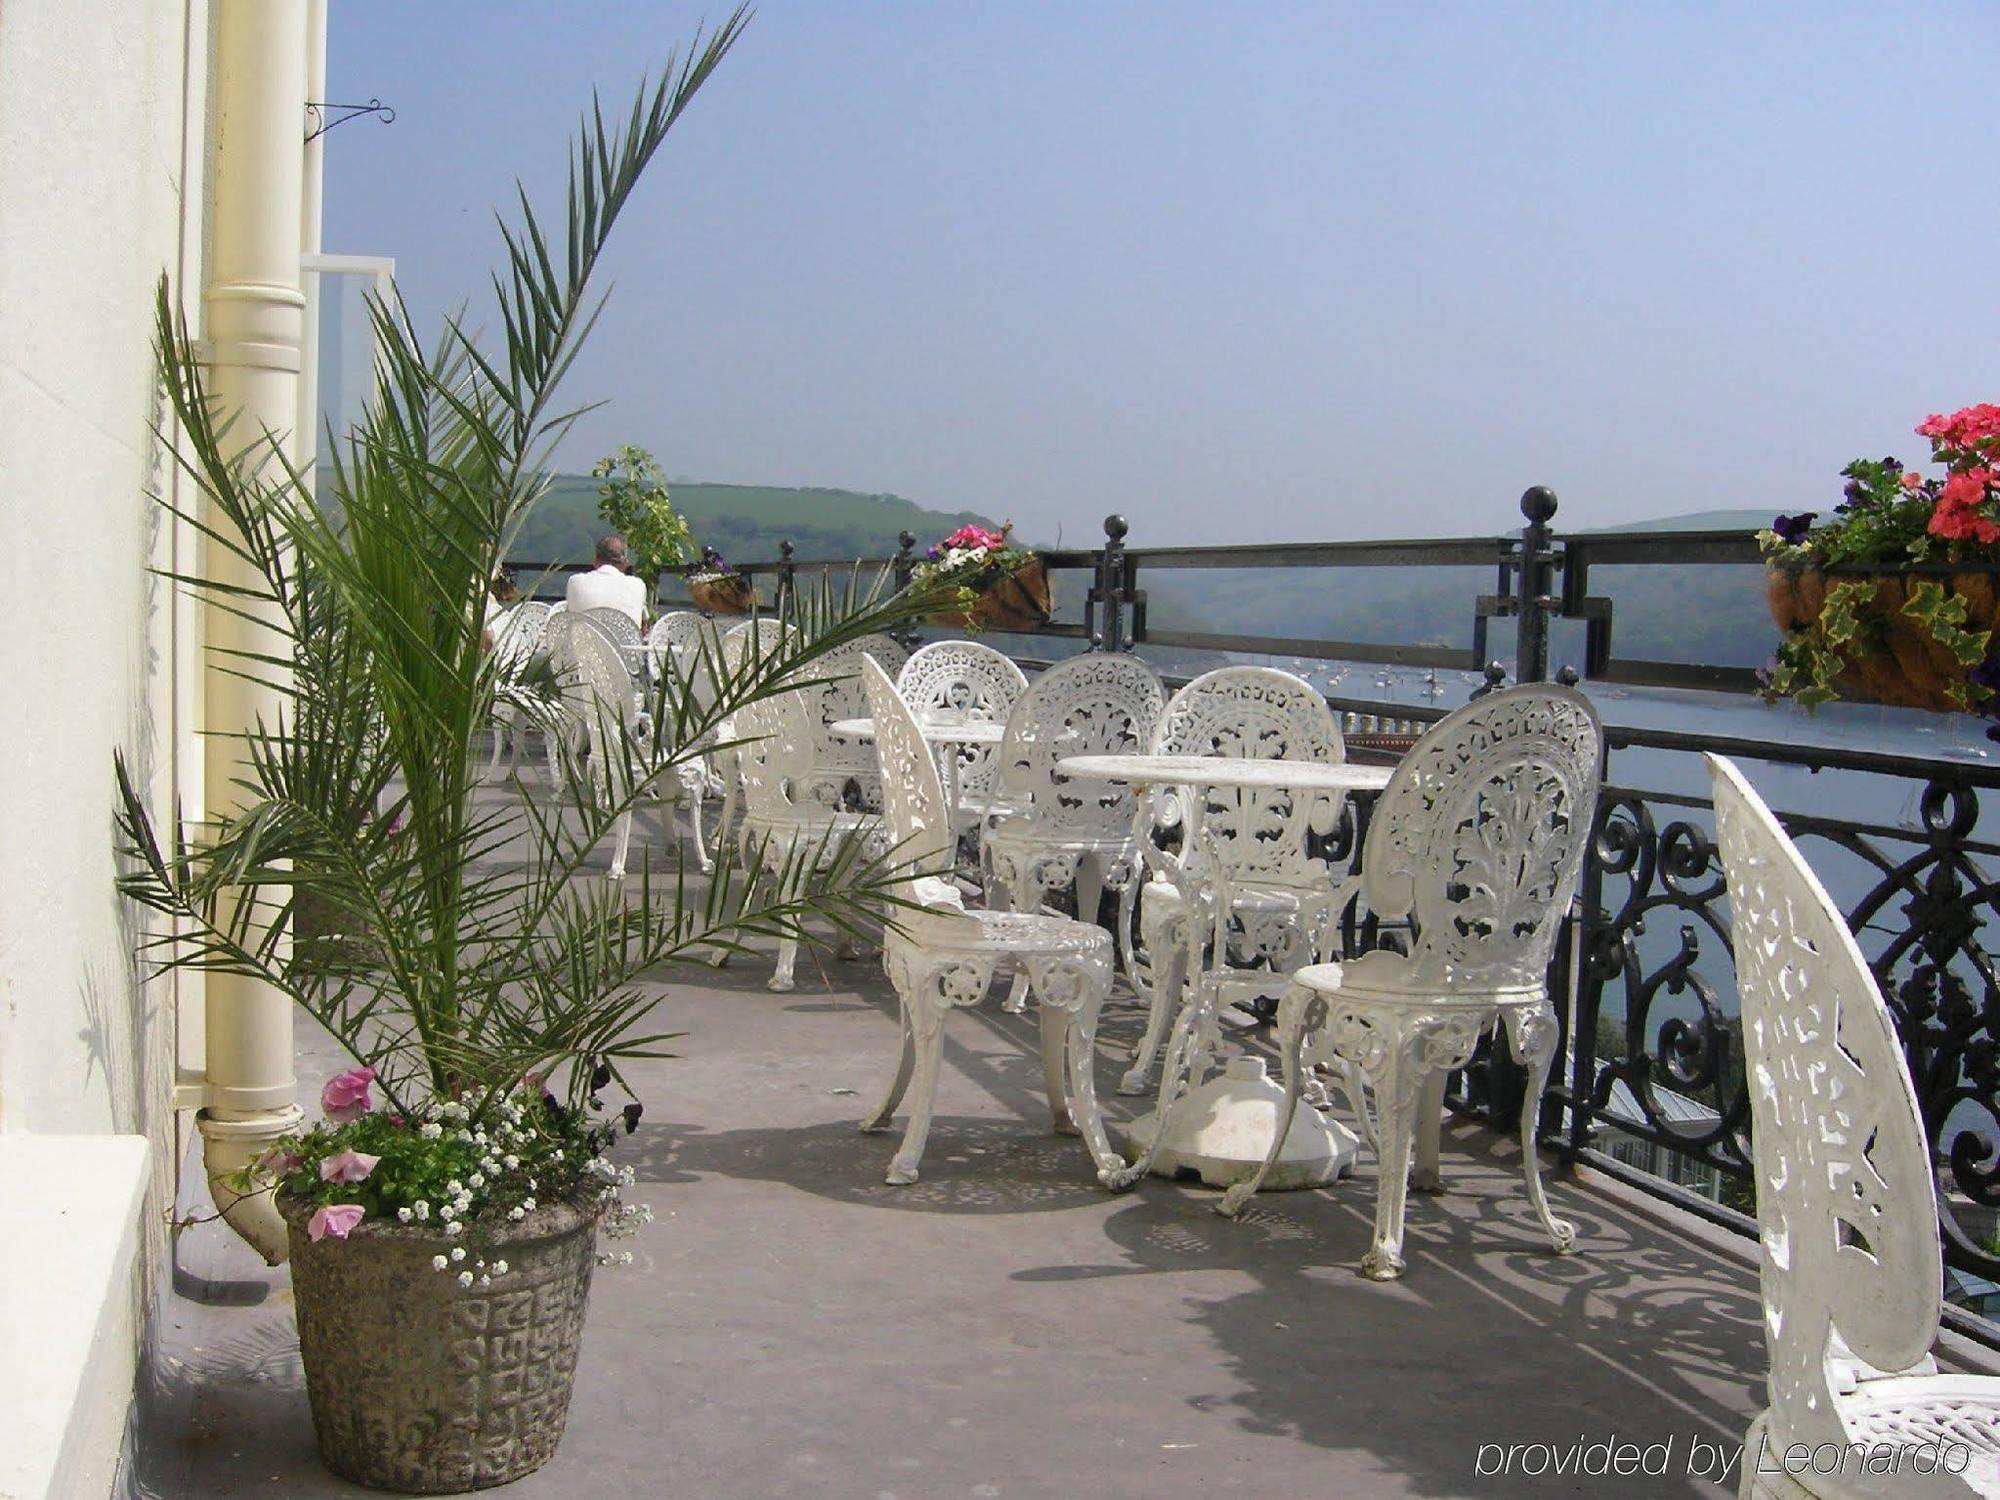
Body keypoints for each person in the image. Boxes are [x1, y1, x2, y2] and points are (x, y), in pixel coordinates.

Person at [564, 535, 648, 627]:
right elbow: (643, 628)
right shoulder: (637, 585)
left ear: (595, 560)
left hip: (582, 640)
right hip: (623, 641)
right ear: (625, 563)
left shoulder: (575, 581)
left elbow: (569, 619)